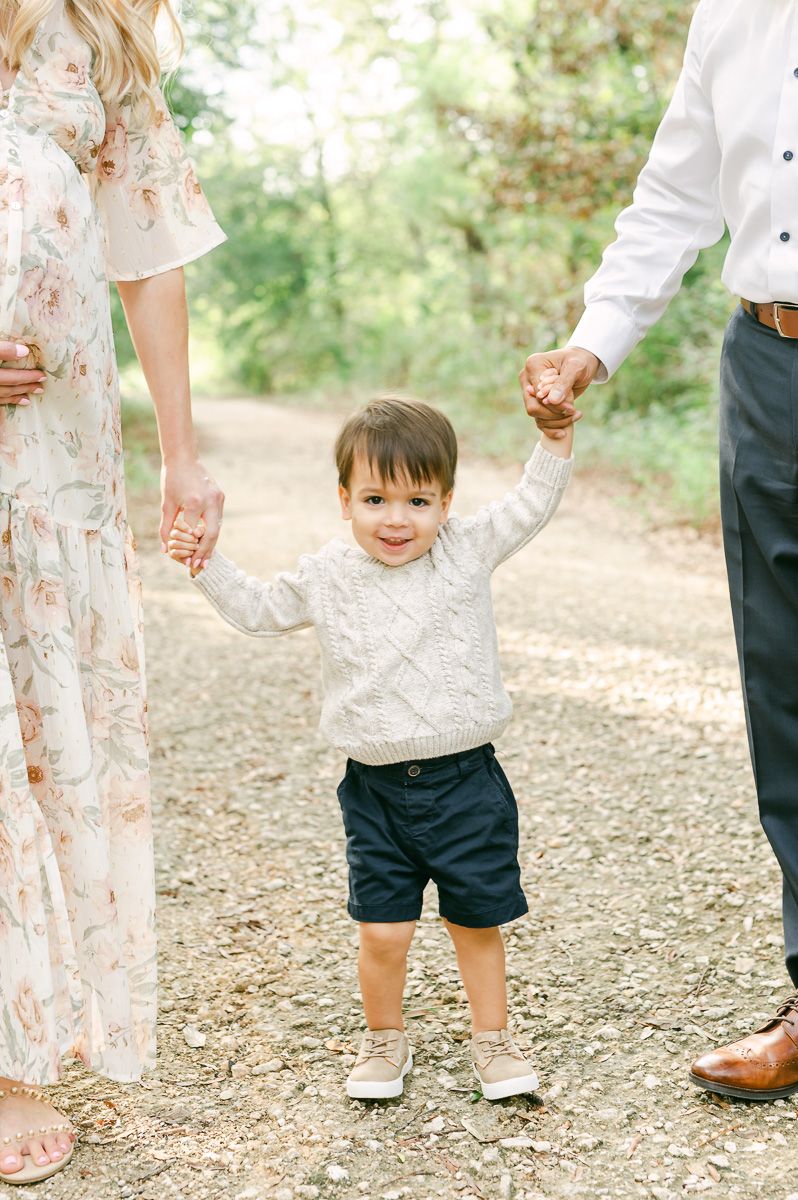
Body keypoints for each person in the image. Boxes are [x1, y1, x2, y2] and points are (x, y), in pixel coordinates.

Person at [520, 0, 798, 1102]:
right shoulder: (729, 16)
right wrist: (594, 341)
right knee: (786, 694)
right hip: (770, 367)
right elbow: (676, 196)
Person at [167, 396, 573, 1102]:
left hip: (466, 784)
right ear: (344, 500)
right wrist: (205, 562)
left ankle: (494, 1041)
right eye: (375, 498)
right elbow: (260, 610)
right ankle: (385, 1041)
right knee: (382, 932)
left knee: (475, 923)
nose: (396, 519)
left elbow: (532, 502)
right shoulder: (327, 575)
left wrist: (556, 436)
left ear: (446, 502)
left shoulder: (465, 550)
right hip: (375, 791)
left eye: (418, 500)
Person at [0, 0, 225, 1183]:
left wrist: (183, 454)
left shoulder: (104, 25)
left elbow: (147, 248)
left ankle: (12, 1060)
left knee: (41, 729)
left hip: (57, 457)